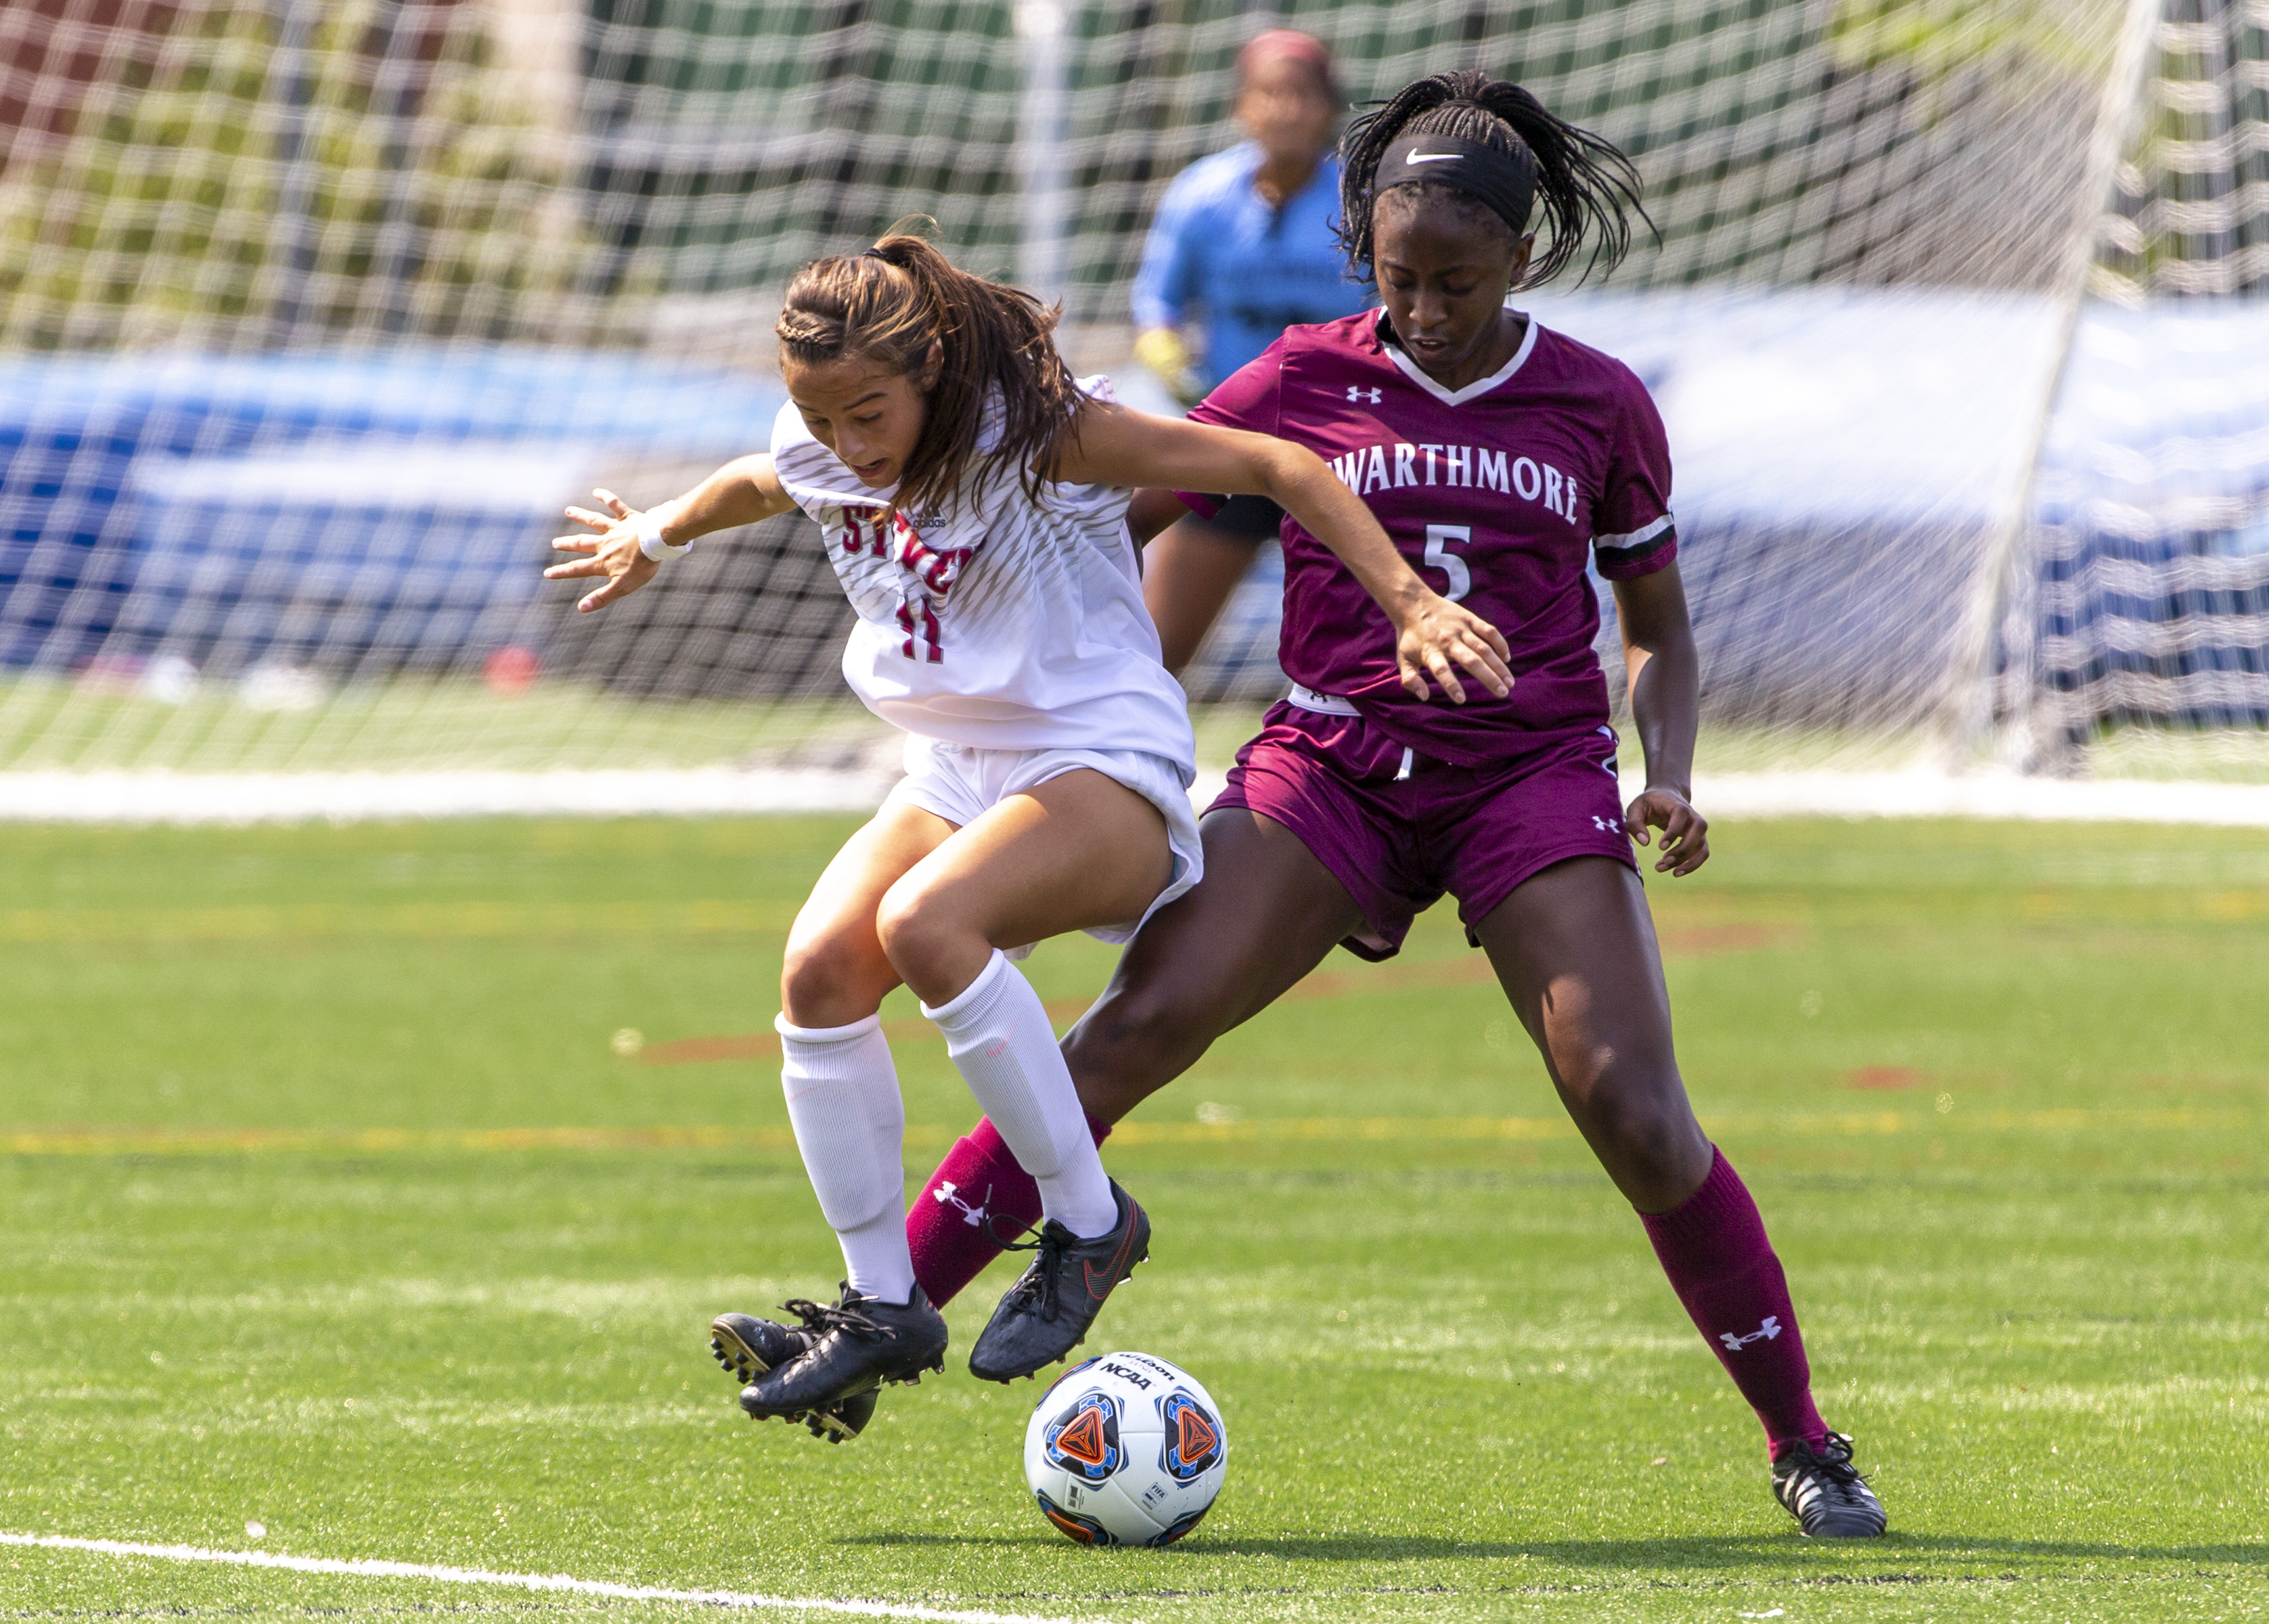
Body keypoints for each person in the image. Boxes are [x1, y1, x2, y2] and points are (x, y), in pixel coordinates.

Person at [886, 74, 1890, 1537]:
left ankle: (1806, 1439)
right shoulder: (1299, 376)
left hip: (1528, 782)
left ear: (1522, 265)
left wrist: (1664, 767)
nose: (1424, 307)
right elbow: (1119, 507)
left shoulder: (1601, 402)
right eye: (1400, 277)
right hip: (1332, 769)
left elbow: (1659, 626)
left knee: (1634, 1107)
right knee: (1141, 1025)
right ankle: (884, 1306)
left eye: (1459, 283)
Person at [549, 232, 1510, 1445]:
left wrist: (1412, 603)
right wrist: (659, 534)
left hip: (1101, 757)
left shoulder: (1044, 431)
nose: (849, 446)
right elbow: (761, 477)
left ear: (934, 368)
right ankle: (882, 1306)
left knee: (926, 924)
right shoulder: (823, 441)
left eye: (870, 414)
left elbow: (1279, 464)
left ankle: (1092, 1220)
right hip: (957, 768)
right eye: (822, 416)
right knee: (820, 971)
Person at [1130, 28, 1374, 673]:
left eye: (1303, 94)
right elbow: (1156, 305)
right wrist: (1172, 364)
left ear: (1330, 106)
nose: (1287, 109)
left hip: (1342, 455)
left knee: (1372, 660)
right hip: (1229, 451)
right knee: (1148, 658)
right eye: (1270, 93)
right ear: (1242, 105)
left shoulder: (1365, 202)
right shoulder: (1200, 197)